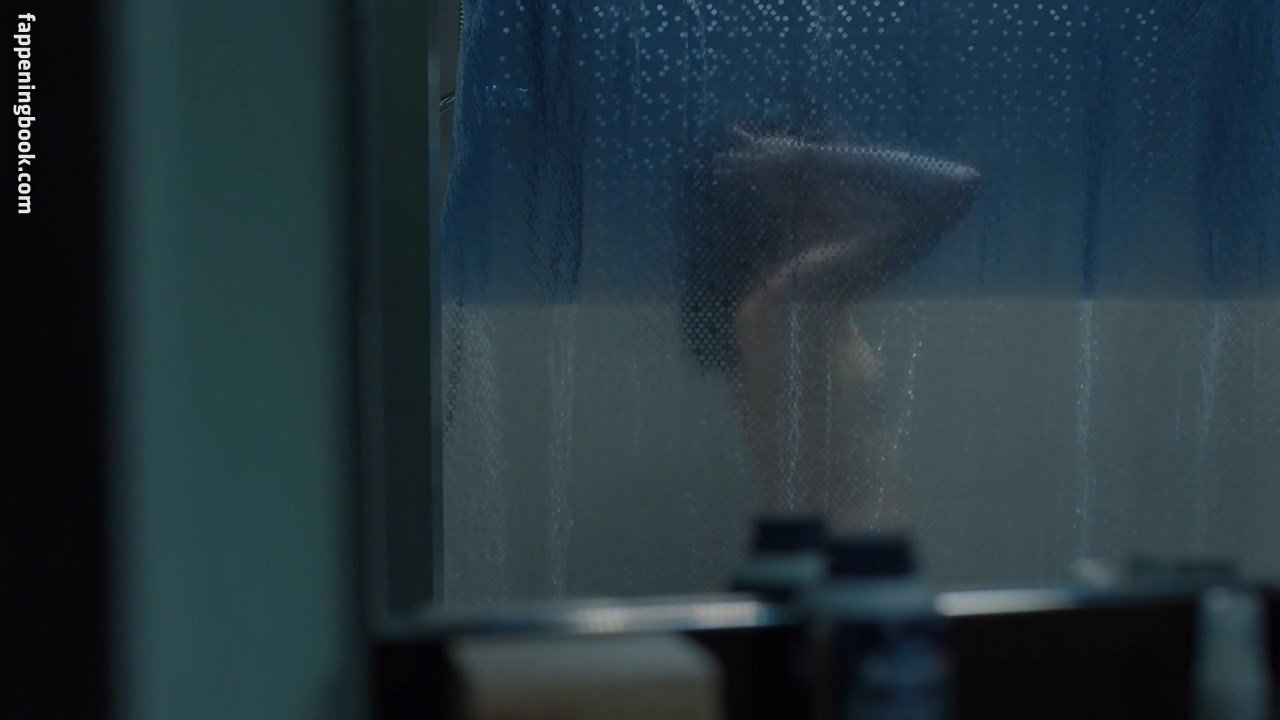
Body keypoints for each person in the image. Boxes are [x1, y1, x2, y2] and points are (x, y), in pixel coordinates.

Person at [681, 122, 982, 532]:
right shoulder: (790, 297)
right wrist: (812, 157)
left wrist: (810, 160)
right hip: (842, 554)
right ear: (792, 199)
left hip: (842, 551)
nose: (855, 197)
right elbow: (957, 186)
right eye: (839, 182)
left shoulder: (798, 303)